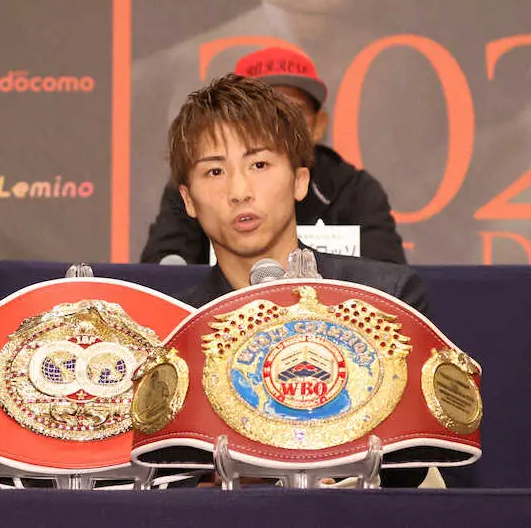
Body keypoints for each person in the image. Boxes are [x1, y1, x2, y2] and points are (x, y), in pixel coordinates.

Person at [166, 74, 436, 487]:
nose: (239, 191)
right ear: (188, 199)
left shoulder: (385, 301)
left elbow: (414, 463)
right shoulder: (175, 330)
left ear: (299, 181)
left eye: (259, 165)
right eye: (215, 171)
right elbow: (161, 476)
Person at [141, 47, 405, 265]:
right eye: (262, 113)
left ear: (319, 125)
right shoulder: (200, 183)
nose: (280, 125)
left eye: (294, 111)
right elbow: (164, 269)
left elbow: (386, 282)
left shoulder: (354, 189)